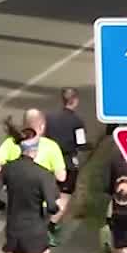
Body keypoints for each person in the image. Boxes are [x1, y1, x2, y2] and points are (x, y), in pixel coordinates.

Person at [43, 87, 88, 226]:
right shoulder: (77, 122)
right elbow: (81, 144)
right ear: (75, 101)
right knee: (64, 196)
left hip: (48, 161)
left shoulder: (49, 118)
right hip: (67, 163)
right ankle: (51, 225)